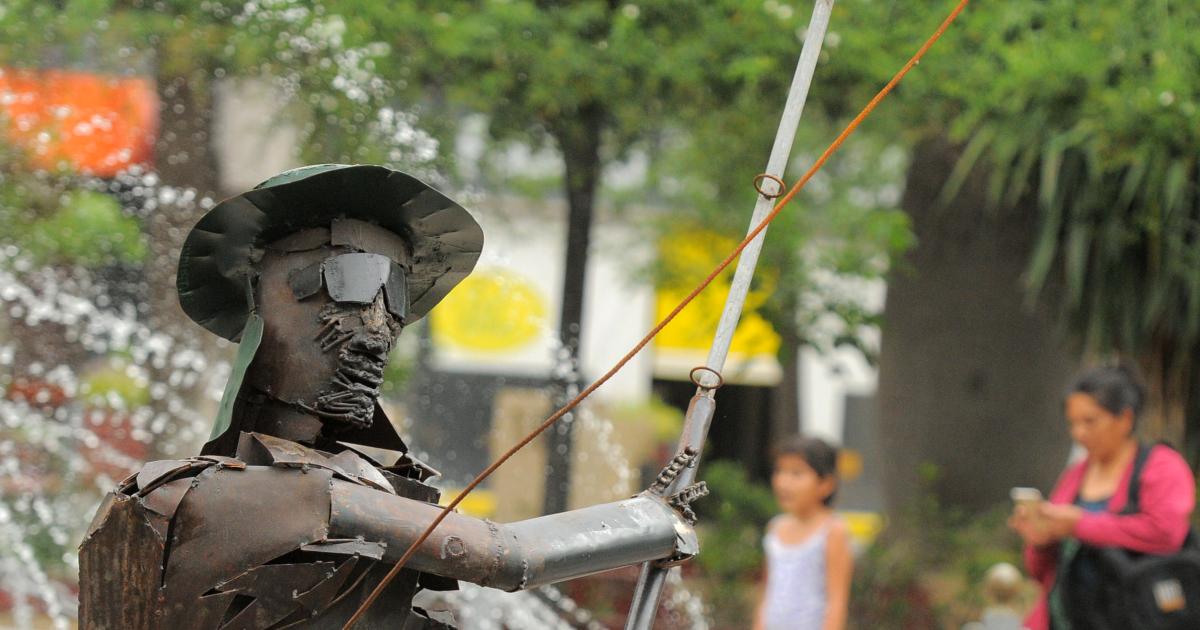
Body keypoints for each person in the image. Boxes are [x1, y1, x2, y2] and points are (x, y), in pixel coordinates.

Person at [77, 164, 704, 629]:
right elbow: (509, 556)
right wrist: (649, 520)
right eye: (352, 283)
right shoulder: (224, 493)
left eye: (397, 295)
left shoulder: (366, 484)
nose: (378, 328)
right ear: (265, 301)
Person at [1008, 365, 1196, 629]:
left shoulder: (1161, 466)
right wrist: (1040, 541)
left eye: (1090, 421)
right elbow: (1043, 574)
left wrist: (1078, 524)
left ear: (1125, 418)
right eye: (1073, 423)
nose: (1079, 433)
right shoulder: (1075, 475)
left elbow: (1166, 533)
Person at [754, 436, 854, 630]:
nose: (783, 482)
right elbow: (767, 592)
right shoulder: (775, 528)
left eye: (796, 473)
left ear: (826, 484)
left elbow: (837, 602)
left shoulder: (832, 531)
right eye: (779, 471)